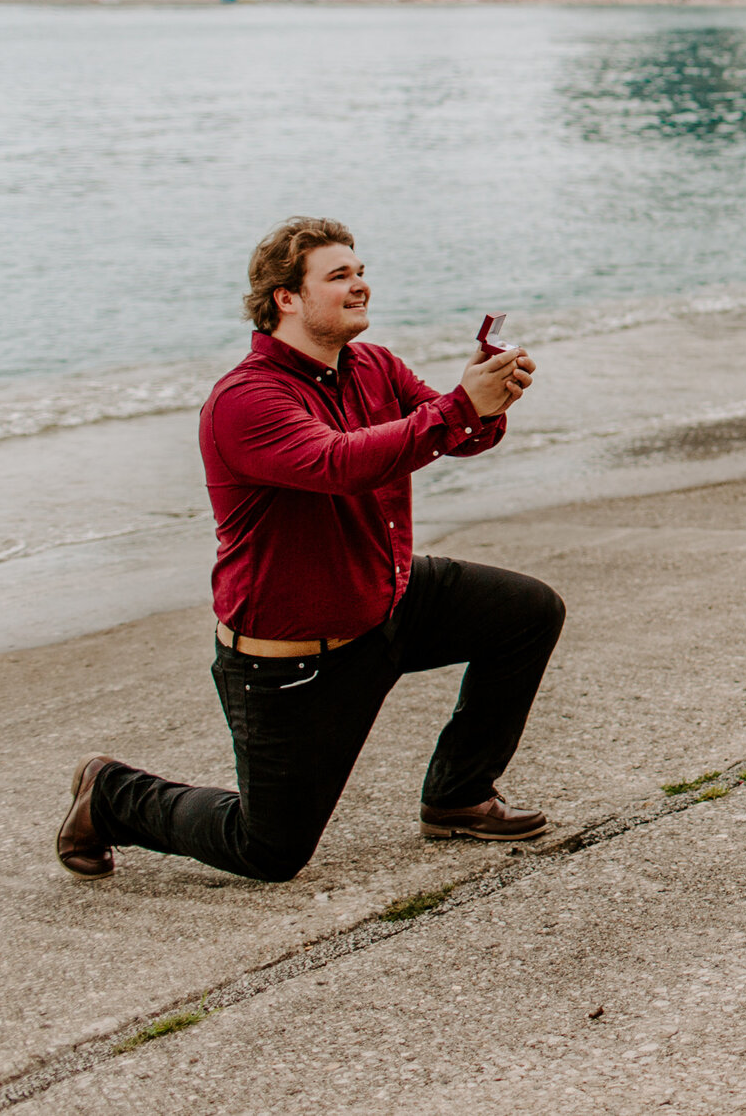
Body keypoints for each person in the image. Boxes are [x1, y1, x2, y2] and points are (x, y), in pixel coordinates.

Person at [56, 218, 562, 884]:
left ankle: (458, 795)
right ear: (286, 298)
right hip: (296, 657)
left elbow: (451, 434)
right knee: (269, 850)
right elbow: (340, 463)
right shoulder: (246, 399)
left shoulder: (372, 365)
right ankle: (112, 792)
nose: (361, 285)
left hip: (388, 601)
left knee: (528, 611)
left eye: (360, 270)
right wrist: (458, 407)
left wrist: (485, 403)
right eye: (340, 275)